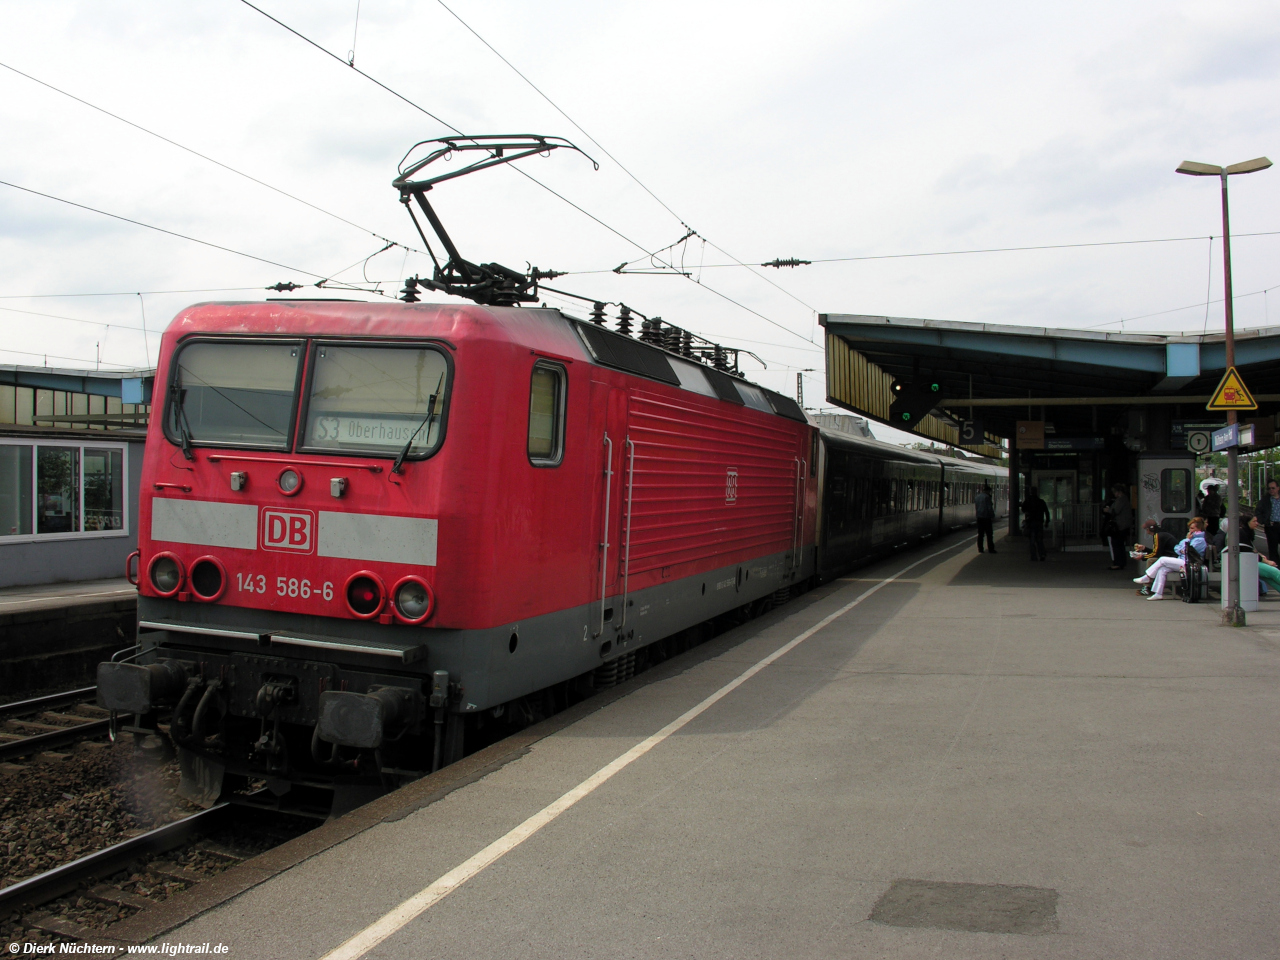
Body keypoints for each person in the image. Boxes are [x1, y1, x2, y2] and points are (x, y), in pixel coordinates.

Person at [1134, 517, 1207, 600]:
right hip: (1183, 560)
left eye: (1192, 528)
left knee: (1162, 559)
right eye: (1190, 528)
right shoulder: (1191, 539)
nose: (1190, 530)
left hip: (1189, 563)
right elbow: (1177, 548)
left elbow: (1186, 550)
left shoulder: (1199, 540)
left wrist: (1186, 541)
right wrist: (1183, 547)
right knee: (1162, 569)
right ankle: (1158, 593)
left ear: (1199, 529)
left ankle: (1147, 576)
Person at [1103, 483, 1132, 570]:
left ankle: (1118, 563)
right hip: (1123, 525)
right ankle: (1121, 562)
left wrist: (1108, 510)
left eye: (1115, 492)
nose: (1114, 494)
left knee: (1116, 544)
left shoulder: (1121, 499)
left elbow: (1116, 510)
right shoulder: (1125, 499)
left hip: (1120, 525)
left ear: (1119, 492)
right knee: (1120, 544)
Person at [1022, 485, 1050, 561]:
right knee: (1039, 540)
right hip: (1039, 523)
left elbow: (1023, 509)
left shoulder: (1027, 501)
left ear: (1030, 492)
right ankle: (1042, 554)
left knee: (1032, 541)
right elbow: (1047, 512)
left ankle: (1034, 556)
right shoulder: (1041, 502)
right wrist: (1047, 521)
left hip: (1030, 523)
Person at [1256, 477, 1280, 565]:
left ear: (1278, 488)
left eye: (1273, 488)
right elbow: (1258, 511)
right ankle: (1276, 567)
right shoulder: (1265, 500)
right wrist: (1263, 521)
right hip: (1271, 526)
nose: (1271, 490)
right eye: (1269, 488)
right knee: (1273, 549)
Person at [974, 483, 996, 553]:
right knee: (989, 534)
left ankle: (980, 549)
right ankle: (991, 549)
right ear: (988, 491)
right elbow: (989, 508)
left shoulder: (977, 497)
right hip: (986, 518)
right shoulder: (987, 497)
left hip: (979, 517)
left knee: (980, 534)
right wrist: (992, 515)